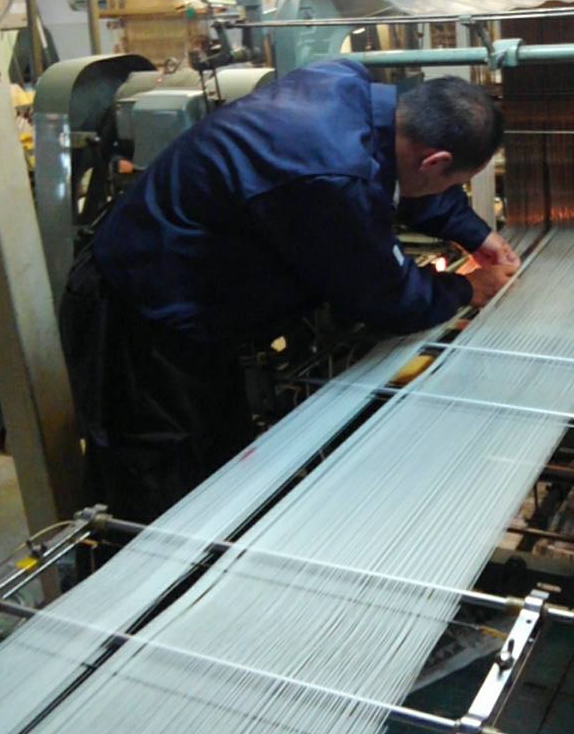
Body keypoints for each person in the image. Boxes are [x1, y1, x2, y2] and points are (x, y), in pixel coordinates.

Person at [60, 59, 519, 522]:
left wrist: (475, 234)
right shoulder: (334, 177)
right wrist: (466, 288)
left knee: (221, 464)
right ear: (435, 161)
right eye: (454, 183)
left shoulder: (346, 81)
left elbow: (398, 175)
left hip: (190, 302)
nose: (448, 190)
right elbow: (387, 298)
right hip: (140, 315)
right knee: (162, 483)